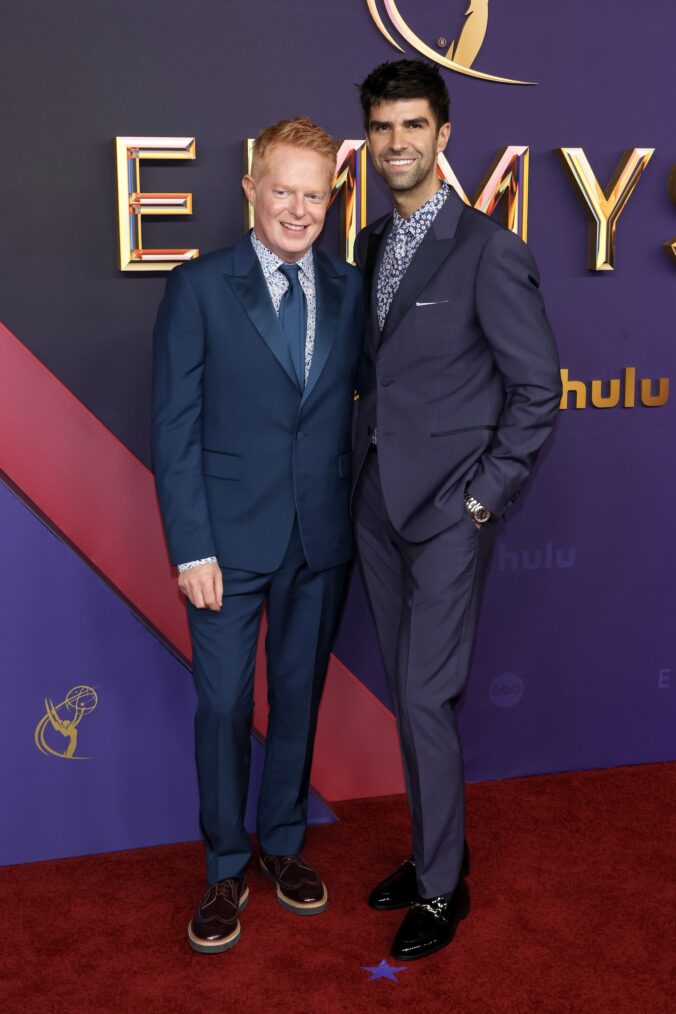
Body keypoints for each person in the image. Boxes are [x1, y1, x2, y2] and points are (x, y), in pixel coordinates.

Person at [352, 60, 562, 961]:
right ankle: (434, 847)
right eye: (382, 127)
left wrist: (482, 498)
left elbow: (539, 391)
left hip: (446, 513)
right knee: (409, 695)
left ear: (444, 135)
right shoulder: (367, 245)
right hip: (374, 508)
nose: (397, 144)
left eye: (413, 127)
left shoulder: (489, 249)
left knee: (427, 698)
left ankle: (442, 890)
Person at [152, 117, 364, 953]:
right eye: (284, 190)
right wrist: (190, 547)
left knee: (300, 699)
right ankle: (223, 866)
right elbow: (174, 426)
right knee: (225, 705)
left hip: (320, 538)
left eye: (315, 195)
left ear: (330, 200)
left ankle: (282, 846)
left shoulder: (348, 288)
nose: (299, 209)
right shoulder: (200, 286)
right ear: (250, 187)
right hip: (225, 547)